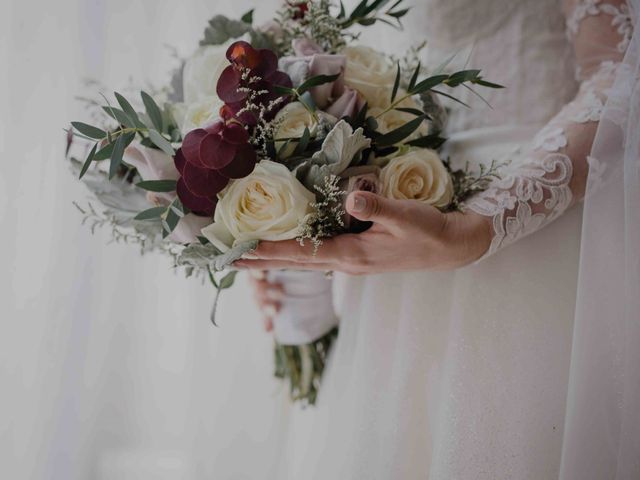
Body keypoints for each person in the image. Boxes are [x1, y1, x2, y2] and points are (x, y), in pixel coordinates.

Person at [236, 1, 639, 478]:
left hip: (532, 237)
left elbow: (621, 70)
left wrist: (483, 222)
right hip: (394, 244)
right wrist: (285, 226)